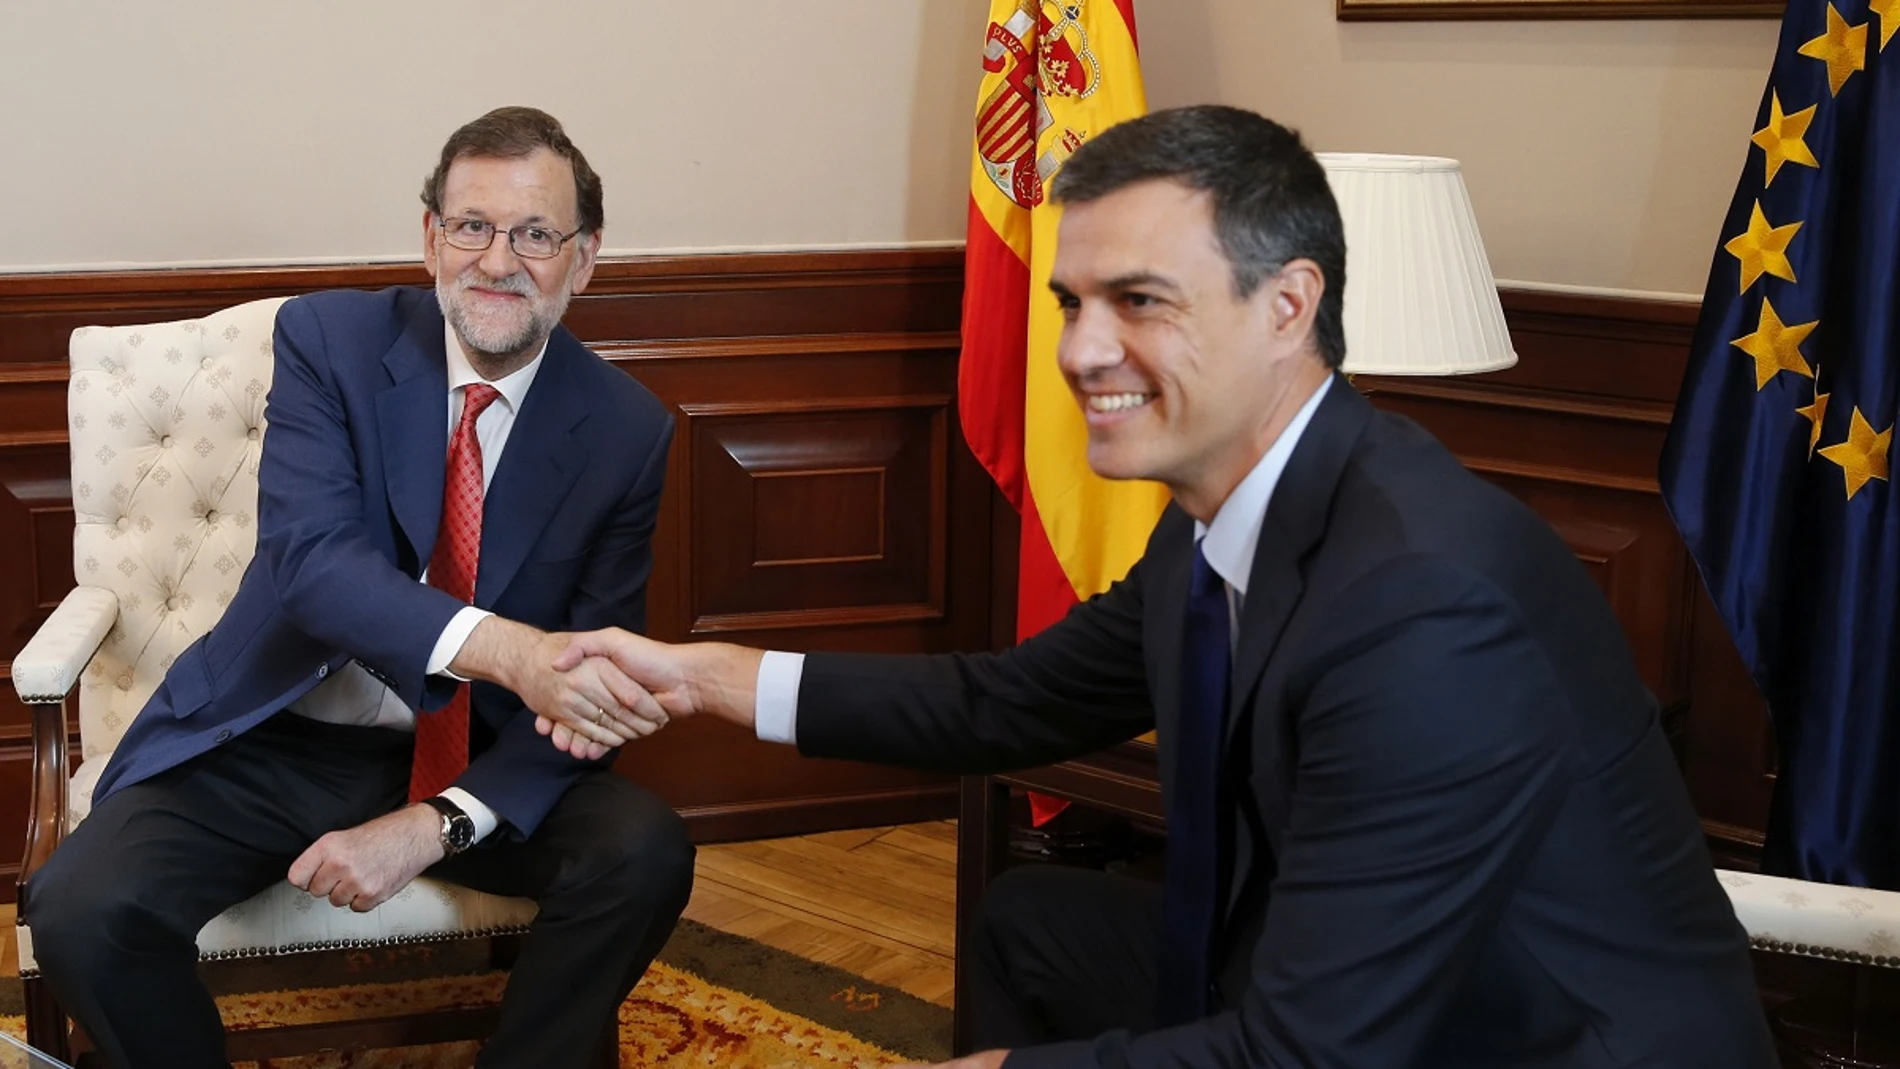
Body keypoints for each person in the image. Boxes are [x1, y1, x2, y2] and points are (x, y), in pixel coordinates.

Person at [544, 105, 1778, 1068]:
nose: (1082, 351)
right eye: (1071, 303)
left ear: (1287, 304)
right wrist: (705, 676)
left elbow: (1309, 1053)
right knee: (1033, 926)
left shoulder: (1422, 603)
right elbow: (1002, 703)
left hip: (1524, 1041)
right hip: (1344, 982)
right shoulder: (1214, 525)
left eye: (1139, 302)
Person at [23, 106, 689, 1069]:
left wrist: (434, 824)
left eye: (536, 234)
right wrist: (512, 650)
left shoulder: (627, 430)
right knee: (82, 909)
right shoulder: (330, 342)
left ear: (584, 258)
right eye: (472, 225)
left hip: (475, 753)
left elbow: (587, 695)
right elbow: (315, 569)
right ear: (430, 238)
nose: (497, 260)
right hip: (274, 738)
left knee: (643, 851)